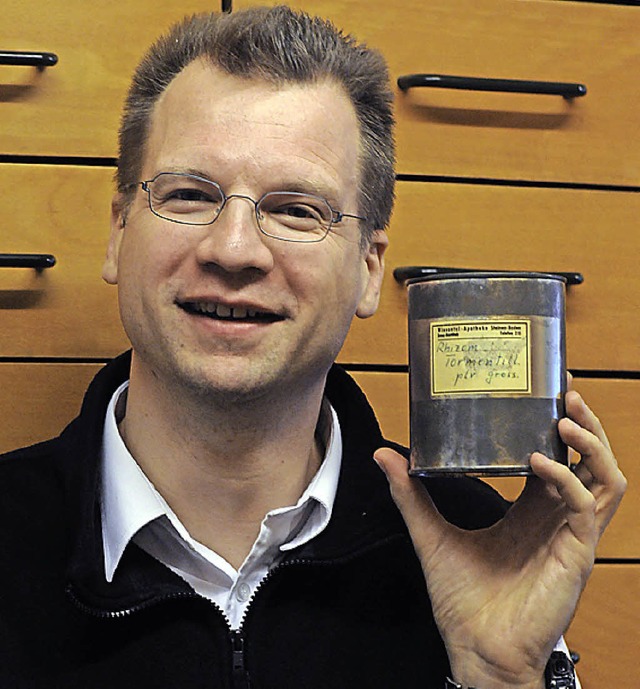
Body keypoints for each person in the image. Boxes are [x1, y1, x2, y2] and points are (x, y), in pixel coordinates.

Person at [0, 6, 626, 689]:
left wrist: (500, 676)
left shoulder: (485, 544)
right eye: (187, 195)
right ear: (119, 231)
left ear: (368, 267)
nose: (234, 250)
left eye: (297, 209)